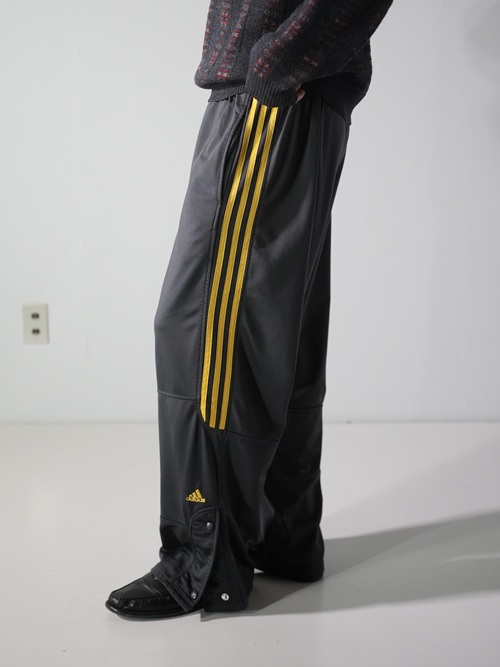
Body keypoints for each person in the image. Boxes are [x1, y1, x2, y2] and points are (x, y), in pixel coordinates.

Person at [105, 0, 394, 619]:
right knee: (276, 328)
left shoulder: (276, 77)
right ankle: (281, 535)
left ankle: (202, 561)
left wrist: (273, 65)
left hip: (273, 94)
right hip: (289, 91)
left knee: (202, 326)